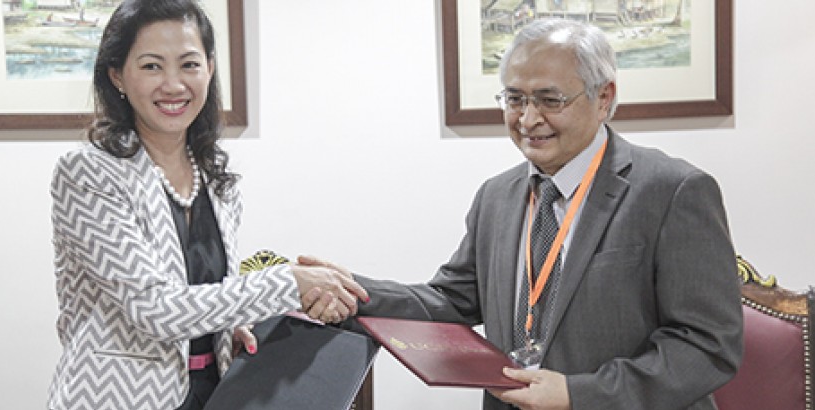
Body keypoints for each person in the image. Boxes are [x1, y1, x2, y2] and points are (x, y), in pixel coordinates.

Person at [310, 18, 743, 410]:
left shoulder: (673, 191)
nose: (529, 119)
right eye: (515, 99)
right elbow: (453, 301)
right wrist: (350, 289)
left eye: (550, 100)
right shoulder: (496, 196)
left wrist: (578, 395)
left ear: (604, 97)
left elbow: (707, 346)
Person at [46, 1, 366, 409]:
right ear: (117, 76)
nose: (174, 84)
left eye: (189, 64)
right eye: (151, 66)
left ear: (210, 69)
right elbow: (153, 309)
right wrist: (289, 283)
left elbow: (205, 293)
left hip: (214, 395)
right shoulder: (88, 173)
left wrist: (228, 329)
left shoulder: (215, 173)